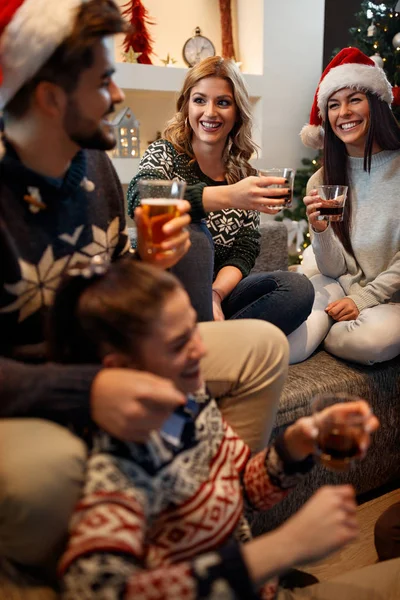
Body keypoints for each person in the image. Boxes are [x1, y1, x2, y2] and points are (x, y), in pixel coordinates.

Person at [0, 0, 288, 573]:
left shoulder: (94, 166)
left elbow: (109, 276)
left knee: (264, 347)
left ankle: (208, 527)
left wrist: (146, 263)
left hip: (115, 352)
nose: (118, 96)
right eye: (105, 80)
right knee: (49, 473)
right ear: (52, 96)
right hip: (33, 386)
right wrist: (87, 391)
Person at [51, 256, 400, 600]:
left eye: (195, 328)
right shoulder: (117, 472)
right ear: (120, 366)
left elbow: (241, 491)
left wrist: (295, 444)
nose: (201, 349)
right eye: (178, 343)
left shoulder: (189, 404)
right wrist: (284, 547)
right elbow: (95, 590)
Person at [128, 57, 314, 334]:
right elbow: (140, 199)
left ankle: (211, 342)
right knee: (192, 229)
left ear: (237, 112)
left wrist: (213, 295)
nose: (210, 112)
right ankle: (216, 344)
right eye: (200, 100)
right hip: (167, 291)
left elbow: (244, 250)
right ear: (186, 106)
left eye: (223, 103)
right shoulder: (164, 154)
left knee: (296, 288)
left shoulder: (243, 172)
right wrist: (231, 196)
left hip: (219, 295)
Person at [288, 47, 400, 365]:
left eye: (354, 99)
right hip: (340, 282)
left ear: (375, 104)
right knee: (291, 343)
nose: (343, 113)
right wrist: (320, 231)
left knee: (372, 342)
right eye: (333, 105)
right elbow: (335, 270)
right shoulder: (323, 181)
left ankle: (325, 334)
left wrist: (363, 298)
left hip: (392, 297)